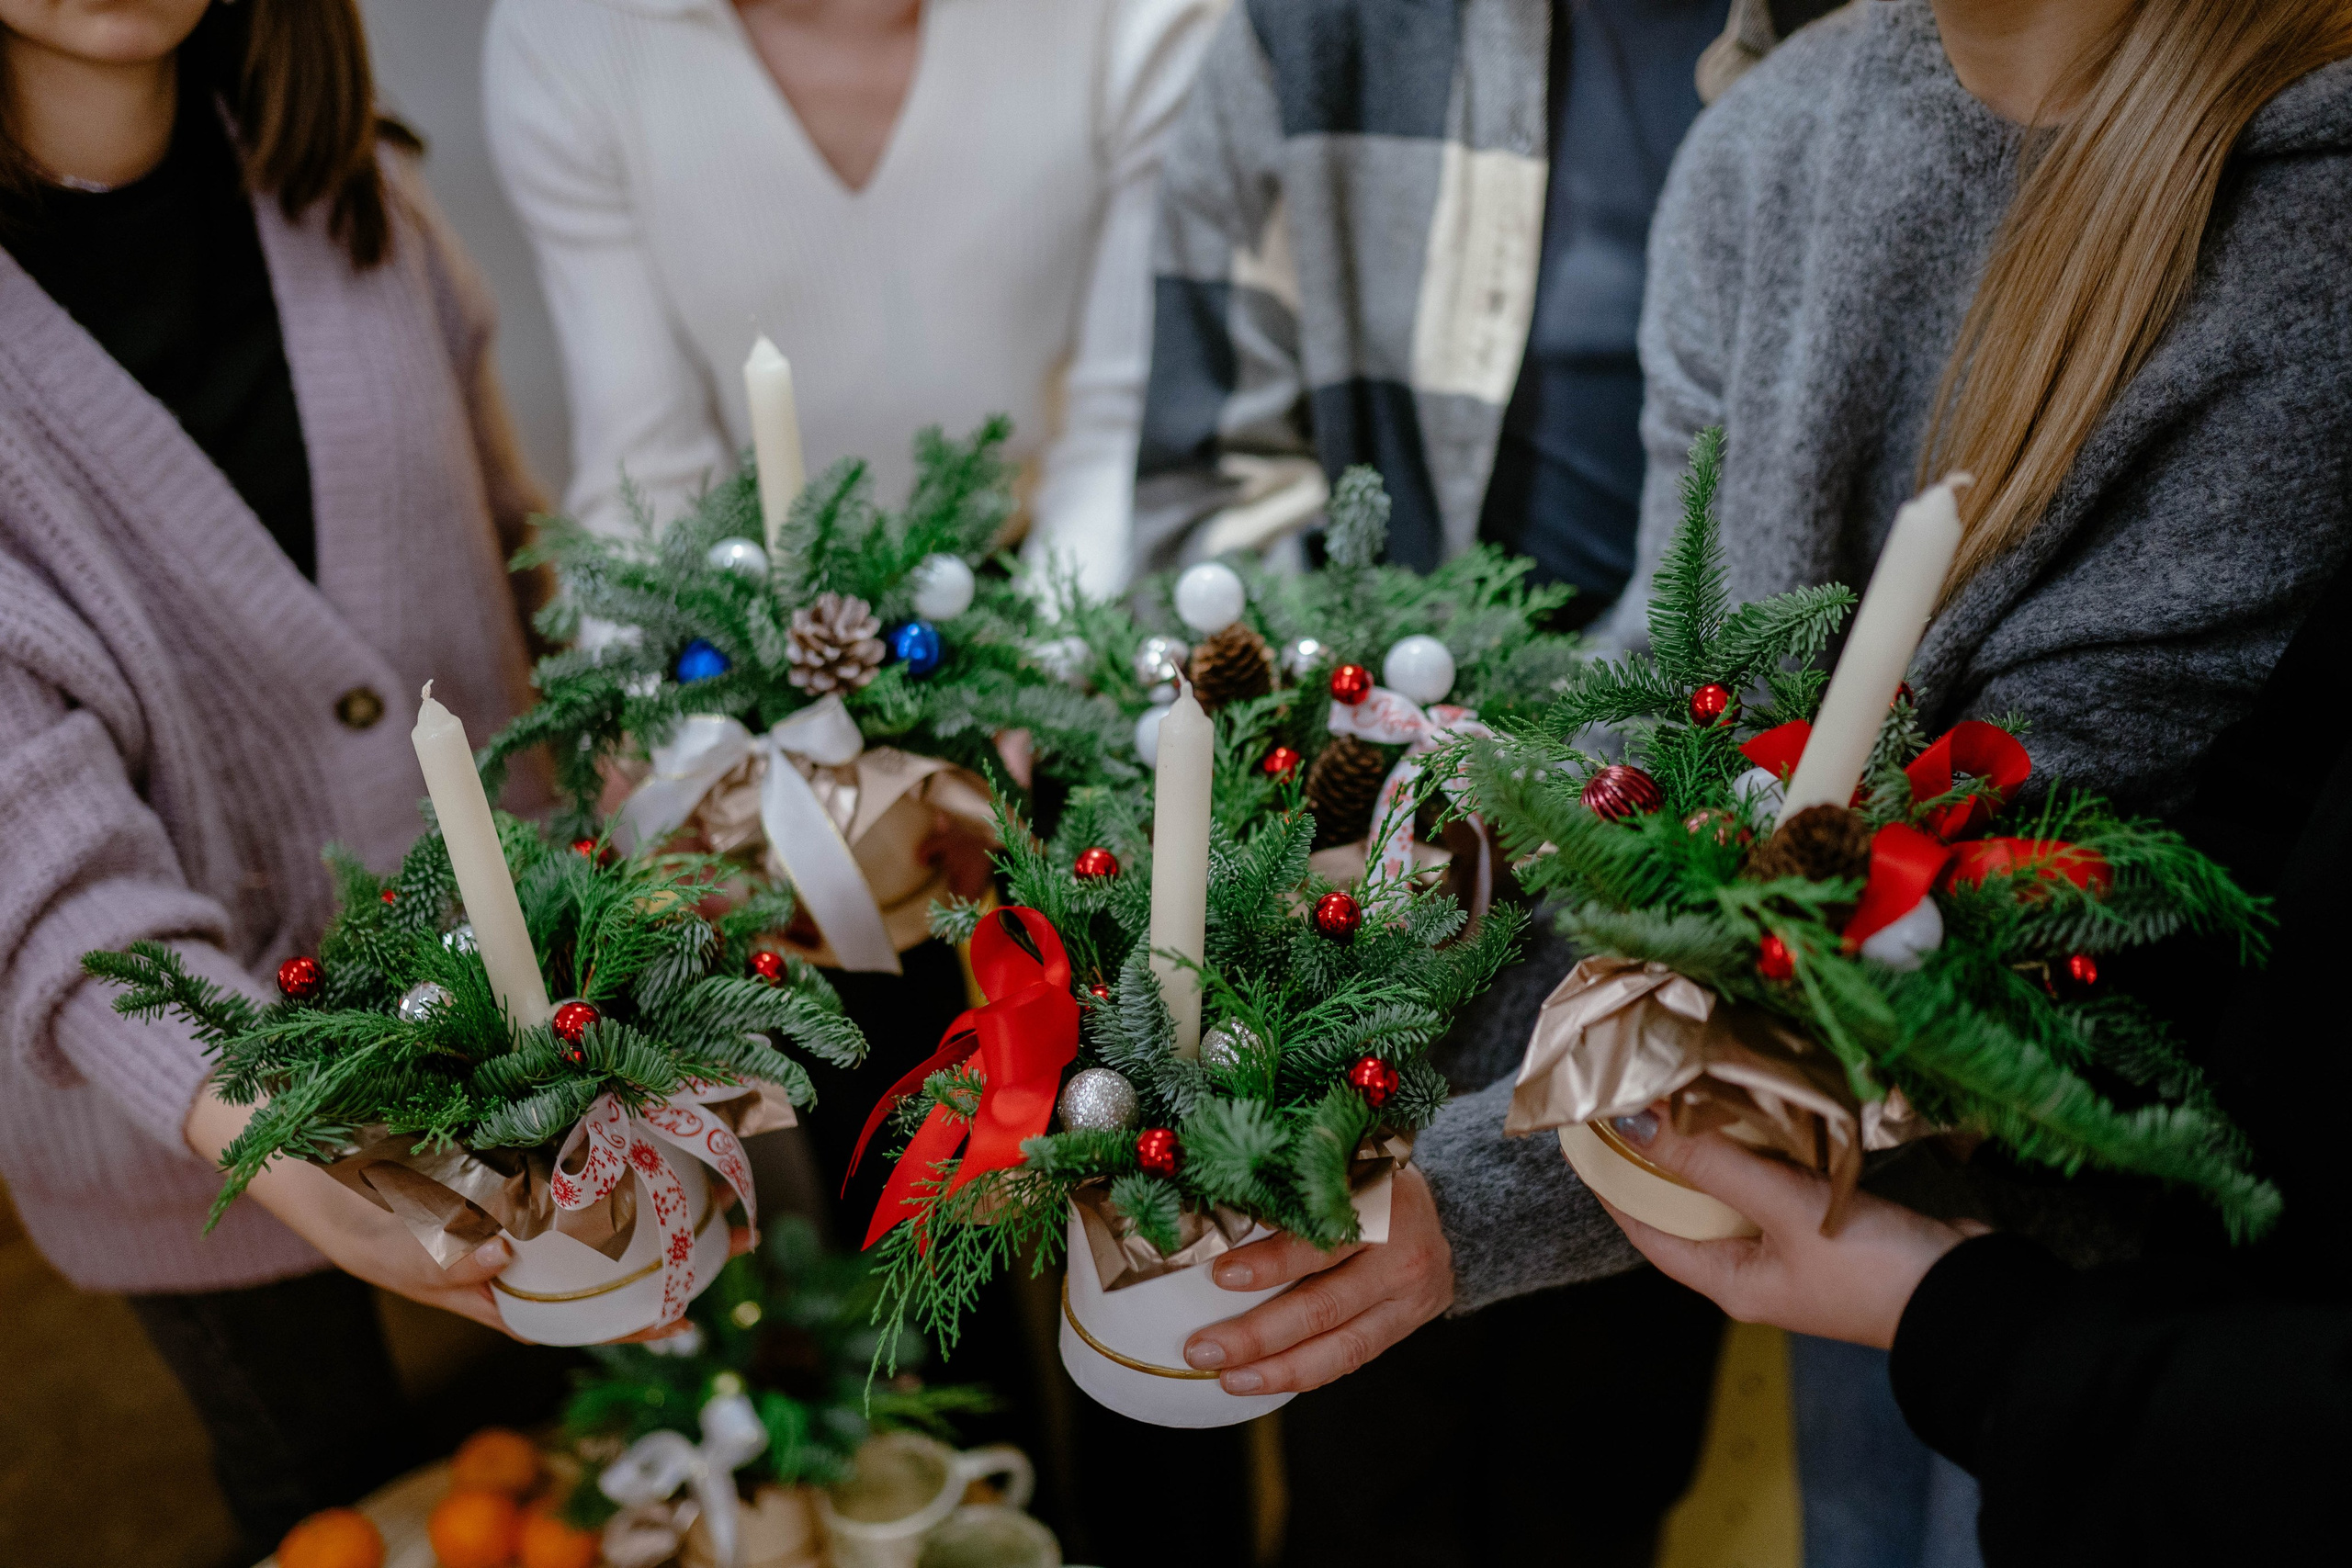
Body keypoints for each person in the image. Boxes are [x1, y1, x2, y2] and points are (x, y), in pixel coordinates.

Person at [1177, 0, 2352, 1557]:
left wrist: (1478, 1198)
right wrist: (1371, 955)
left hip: (2148, 1277)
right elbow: (1670, 712)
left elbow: (2036, 883)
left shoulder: (2301, 234)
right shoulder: (1772, 133)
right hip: (1823, 1220)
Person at [0, 0, 552, 1553]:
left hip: (543, 1037)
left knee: (617, 1466)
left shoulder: (360, 194)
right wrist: (281, 1125)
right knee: (335, 1512)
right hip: (195, 1148)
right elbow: (40, 878)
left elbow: (527, 559)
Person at [1600, 547, 2352, 1566]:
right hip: (2107, 1313)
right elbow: (2266, 867)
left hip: (2140, 1402)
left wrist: (1952, 1319)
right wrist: (1981, 1006)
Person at [481, 0, 1224, 603]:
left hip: (1066, 584)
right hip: (752, 627)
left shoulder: (1134, 19)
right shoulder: (566, 36)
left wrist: (1040, 676)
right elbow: (647, 472)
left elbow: (1125, 431)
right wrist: (682, 723)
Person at [1134, 0, 1841, 618]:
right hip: (1391, 706)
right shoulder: (1309, 28)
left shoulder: (1866, 47)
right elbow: (1210, 504)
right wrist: (1370, 715)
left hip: (1742, 726)